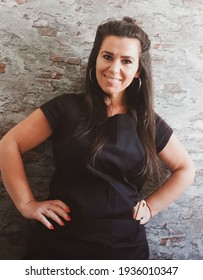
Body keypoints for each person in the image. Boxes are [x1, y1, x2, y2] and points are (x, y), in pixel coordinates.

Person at [0, 17, 195, 260]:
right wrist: (27, 204)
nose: (114, 69)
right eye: (107, 56)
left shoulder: (147, 121)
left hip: (124, 248)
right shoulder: (66, 107)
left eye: (126, 61)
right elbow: (9, 144)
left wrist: (152, 206)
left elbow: (185, 168)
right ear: (95, 59)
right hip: (58, 246)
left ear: (137, 71)